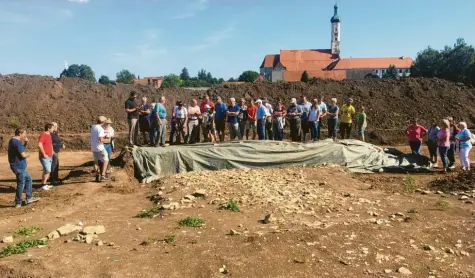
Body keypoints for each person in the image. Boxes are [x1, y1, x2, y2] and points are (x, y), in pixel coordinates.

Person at [9, 128, 40, 208]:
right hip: (19, 166)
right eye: (24, 134)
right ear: (20, 134)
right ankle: (18, 202)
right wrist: (28, 155)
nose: (25, 135)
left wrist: (25, 142)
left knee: (28, 179)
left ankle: (29, 198)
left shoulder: (12, 140)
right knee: (21, 184)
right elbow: (22, 154)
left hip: (18, 166)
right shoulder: (18, 142)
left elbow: (20, 149)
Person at [90, 116, 110, 182]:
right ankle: (103, 176)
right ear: (103, 122)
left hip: (93, 147)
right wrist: (107, 139)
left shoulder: (93, 127)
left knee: (96, 162)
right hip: (100, 148)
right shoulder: (100, 129)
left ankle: (97, 176)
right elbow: (101, 139)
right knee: (106, 160)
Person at [38, 123, 54, 191]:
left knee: (46, 171)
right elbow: (39, 144)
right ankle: (43, 185)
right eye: (52, 128)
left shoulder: (49, 135)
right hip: (45, 157)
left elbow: (50, 144)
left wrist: (52, 151)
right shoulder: (43, 135)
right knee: (48, 170)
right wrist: (44, 154)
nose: (53, 129)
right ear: (48, 128)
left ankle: (44, 184)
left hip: (50, 156)